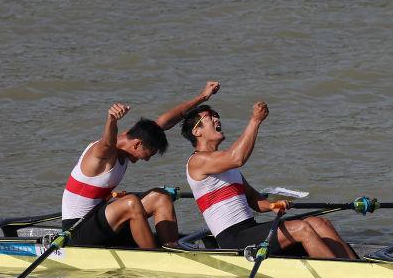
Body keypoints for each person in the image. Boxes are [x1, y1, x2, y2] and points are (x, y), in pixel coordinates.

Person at [181, 102, 358, 259]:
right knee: (301, 228)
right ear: (196, 132)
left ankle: (355, 266)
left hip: (250, 229)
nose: (216, 119)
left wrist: (273, 206)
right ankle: (338, 275)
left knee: (319, 223)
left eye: (217, 115)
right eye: (209, 117)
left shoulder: (225, 165)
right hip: (232, 238)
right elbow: (237, 158)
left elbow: (253, 199)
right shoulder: (197, 161)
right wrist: (255, 120)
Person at [61, 81, 221, 248]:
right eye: (149, 154)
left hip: (101, 219)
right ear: (137, 144)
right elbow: (107, 143)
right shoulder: (104, 153)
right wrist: (112, 120)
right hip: (77, 229)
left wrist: (203, 97)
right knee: (131, 202)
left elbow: (167, 120)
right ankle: (154, 256)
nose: (147, 160)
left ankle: (172, 248)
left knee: (161, 197)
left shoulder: (134, 137)